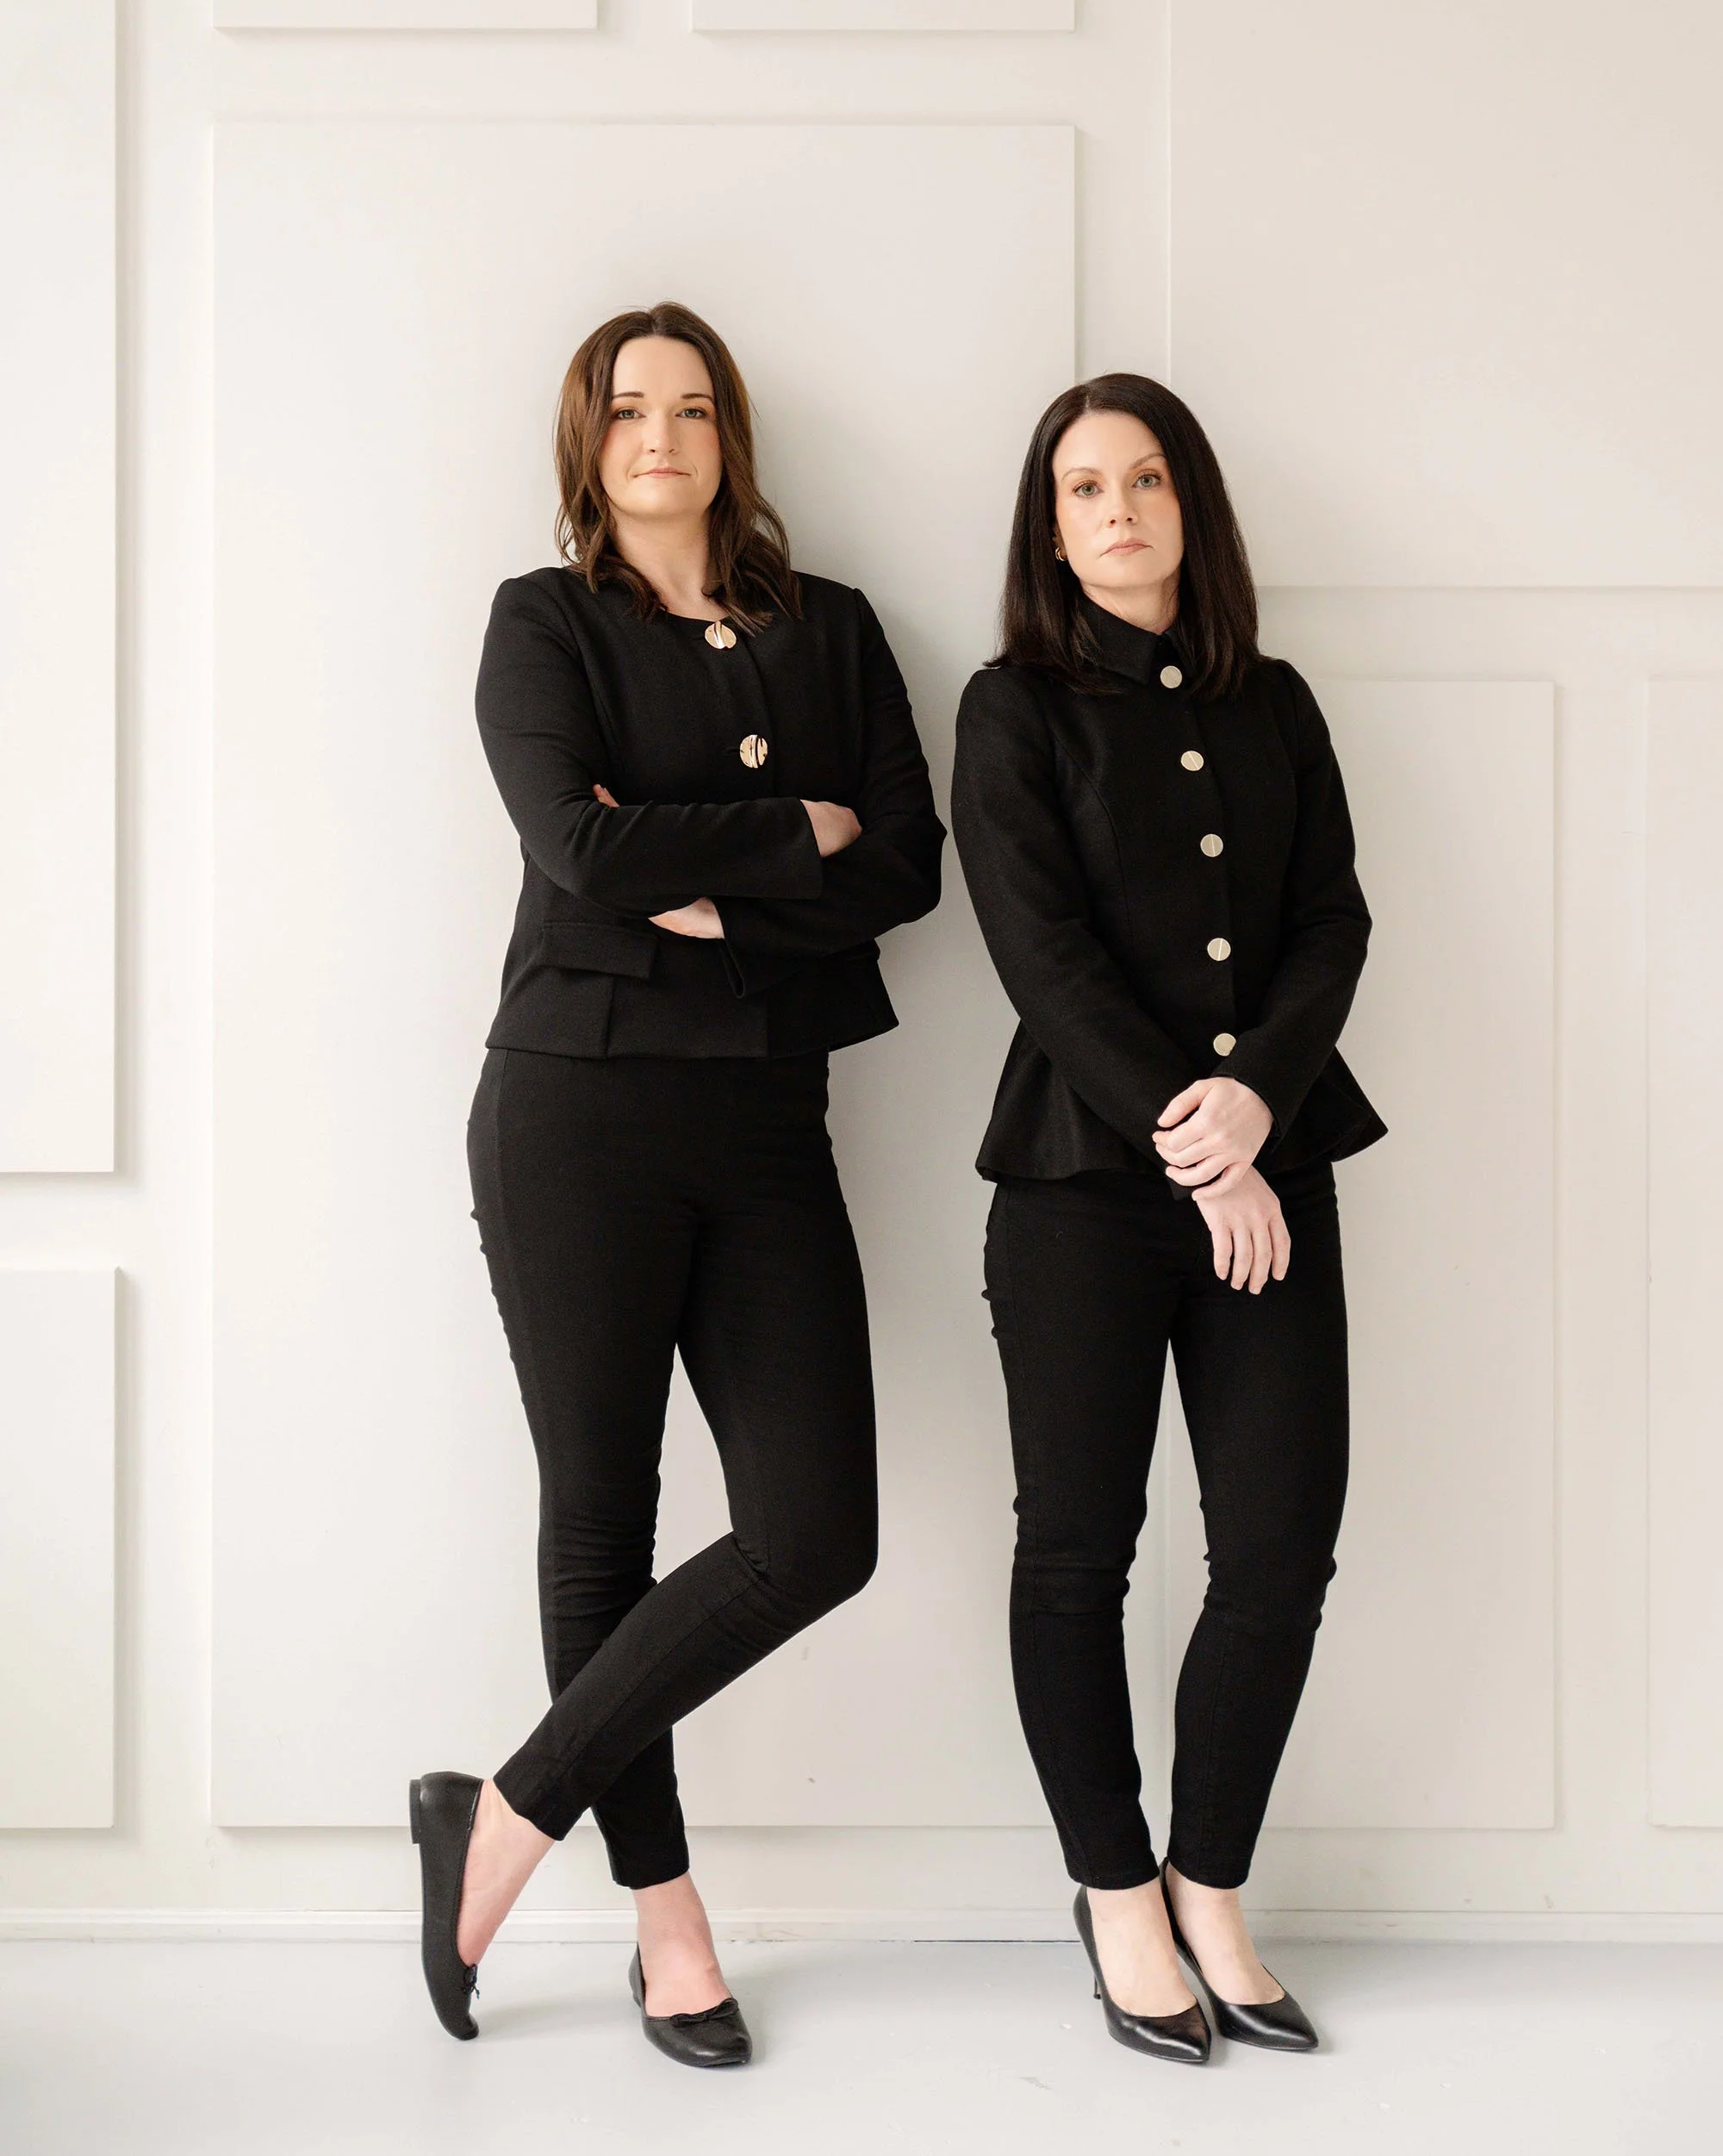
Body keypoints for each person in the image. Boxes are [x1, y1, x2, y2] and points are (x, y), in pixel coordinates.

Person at [411, 301, 943, 2069]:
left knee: (818, 1534)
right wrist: (797, 825)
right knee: (601, 1513)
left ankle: (501, 1808)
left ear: (732, 438)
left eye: (692, 407)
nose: (661, 434)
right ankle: (667, 1920)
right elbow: (577, 845)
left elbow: (914, 869)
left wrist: (711, 875)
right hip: (572, 1111)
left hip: (767, 1120)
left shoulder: (841, 630)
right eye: (628, 408)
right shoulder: (540, 623)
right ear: (588, 439)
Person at [951, 372, 1385, 2064]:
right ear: (1049, 529)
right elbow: (1037, 954)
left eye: (1143, 479)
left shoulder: (1274, 704)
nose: (1117, 509)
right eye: (1081, 489)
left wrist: (1261, 1101)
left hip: (1276, 1168)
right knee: (1078, 1552)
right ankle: (1115, 1895)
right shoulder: (1013, 710)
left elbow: (1330, 921)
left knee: (1278, 1545)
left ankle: (1211, 1885)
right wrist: (1196, 1138)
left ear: (1187, 504)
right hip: (1078, 1187)